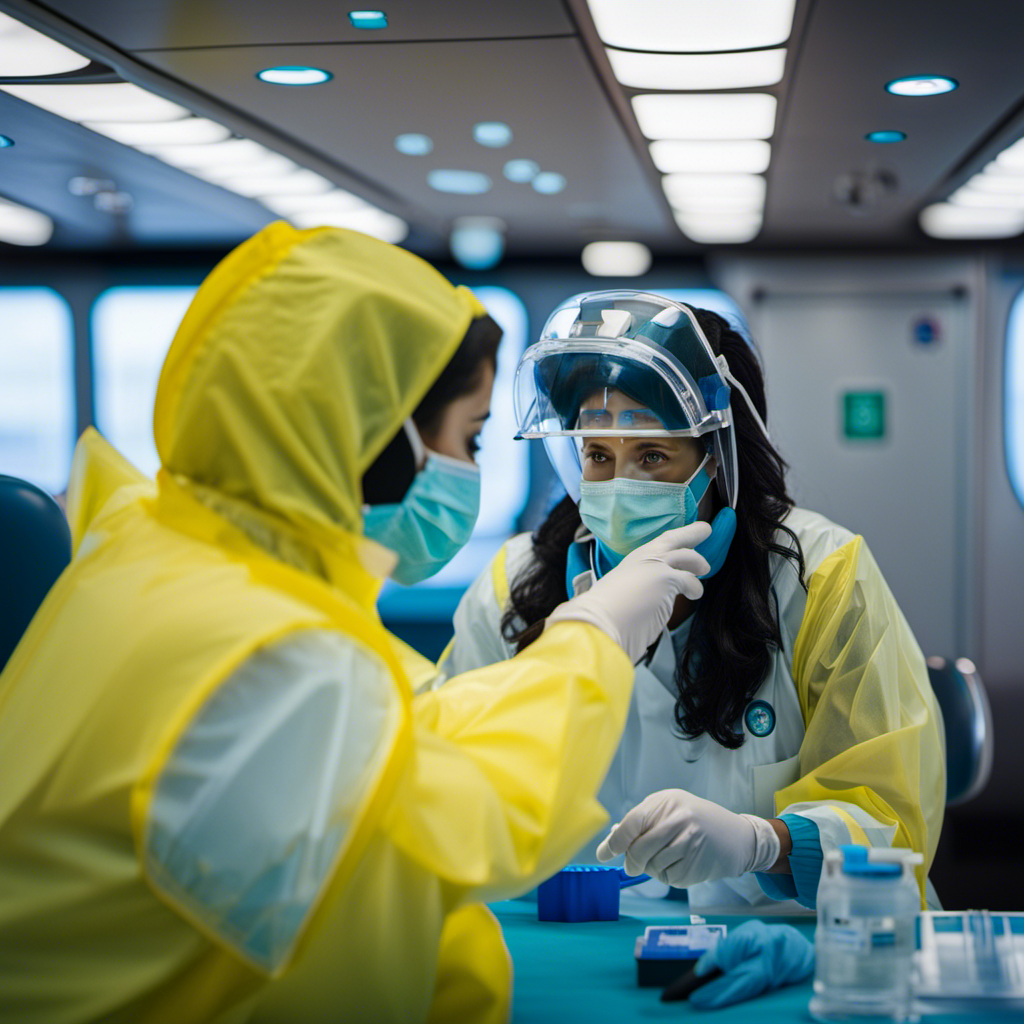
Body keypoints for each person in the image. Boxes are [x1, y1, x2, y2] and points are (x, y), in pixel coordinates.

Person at [0, 228, 710, 1023]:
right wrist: (592, 637)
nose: (473, 470)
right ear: (375, 435)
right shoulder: (268, 653)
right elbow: (461, 826)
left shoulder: (163, 558)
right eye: (469, 437)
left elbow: (402, 738)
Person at [440, 290, 946, 912]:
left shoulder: (819, 576)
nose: (621, 487)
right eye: (598, 455)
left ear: (719, 459)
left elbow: (894, 823)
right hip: (574, 942)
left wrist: (766, 845)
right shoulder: (514, 588)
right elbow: (446, 782)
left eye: (653, 455)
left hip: (788, 940)